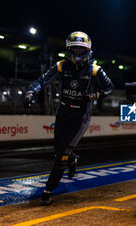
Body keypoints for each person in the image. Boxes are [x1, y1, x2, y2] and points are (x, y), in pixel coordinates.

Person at [23, 31, 114, 206]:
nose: (77, 53)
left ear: (87, 50)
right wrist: (29, 93)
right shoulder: (60, 66)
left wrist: (96, 95)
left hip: (81, 116)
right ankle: (73, 159)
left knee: (61, 155)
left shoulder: (96, 70)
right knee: (58, 151)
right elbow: (41, 81)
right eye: (74, 50)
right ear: (68, 50)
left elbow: (110, 87)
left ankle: (48, 190)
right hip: (63, 113)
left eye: (81, 50)